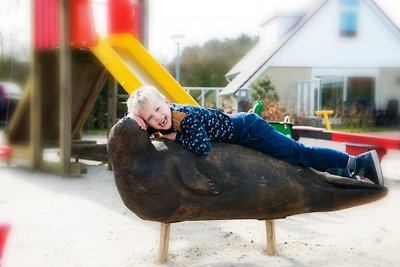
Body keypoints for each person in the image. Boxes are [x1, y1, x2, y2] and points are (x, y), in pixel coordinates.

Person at [126, 85, 384, 186]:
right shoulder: (162, 119)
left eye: (158, 110)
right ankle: (345, 170)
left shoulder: (184, 118)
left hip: (249, 129)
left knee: (297, 153)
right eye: (149, 117)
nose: (157, 118)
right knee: (294, 156)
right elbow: (142, 127)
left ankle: (357, 162)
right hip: (241, 129)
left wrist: (172, 138)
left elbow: (202, 147)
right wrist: (134, 119)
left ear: (167, 102)